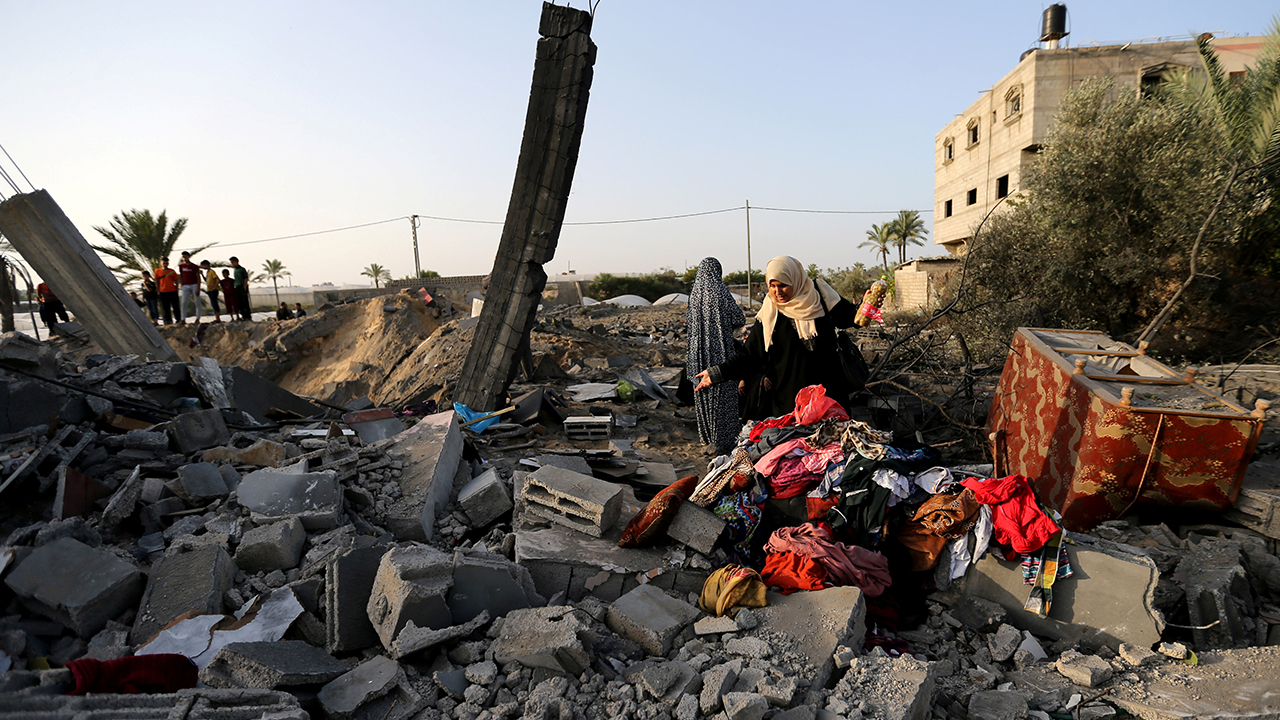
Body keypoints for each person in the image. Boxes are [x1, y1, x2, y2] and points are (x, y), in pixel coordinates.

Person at [695, 255, 860, 420]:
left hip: (829, 397)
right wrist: (717, 373)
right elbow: (750, 355)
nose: (777, 292)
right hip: (790, 402)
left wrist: (868, 306)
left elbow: (852, 317)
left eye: (783, 286)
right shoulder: (770, 311)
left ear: (795, 281)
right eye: (772, 286)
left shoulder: (819, 296)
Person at [686, 257, 746, 455]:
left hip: (697, 355)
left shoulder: (694, 294)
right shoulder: (719, 291)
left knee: (703, 396)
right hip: (720, 352)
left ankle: (708, 440)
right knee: (723, 395)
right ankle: (723, 441)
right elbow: (738, 318)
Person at [153, 257, 180, 325]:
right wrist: (158, 290)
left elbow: (176, 281)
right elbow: (157, 281)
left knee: (175, 306)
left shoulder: (172, 271)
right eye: (163, 263)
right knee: (165, 307)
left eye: (166, 263)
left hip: (172, 291)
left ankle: (178, 319)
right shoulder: (157, 271)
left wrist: (177, 289)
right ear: (161, 263)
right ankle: (168, 320)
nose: (165, 264)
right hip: (163, 291)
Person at [177, 251, 201, 324]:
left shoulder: (194, 266)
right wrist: (182, 284)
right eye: (183, 257)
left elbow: (198, 277)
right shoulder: (181, 266)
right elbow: (181, 275)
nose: (184, 258)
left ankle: (197, 318)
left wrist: (198, 288)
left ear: (189, 257)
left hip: (194, 284)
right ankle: (183, 318)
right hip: (185, 285)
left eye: (185, 257)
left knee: (197, 302)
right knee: (184, 302)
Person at [230, 256, 251, 321]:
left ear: (237, 262)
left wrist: (244, 286)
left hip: (242, 286)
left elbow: (246, 278)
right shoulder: (235, 270)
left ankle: (248, 316)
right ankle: (243, 315)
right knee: (239, 303)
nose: (232, 264)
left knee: (245, 302)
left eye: (233, 262)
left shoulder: (242, 269)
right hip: (237, 287)